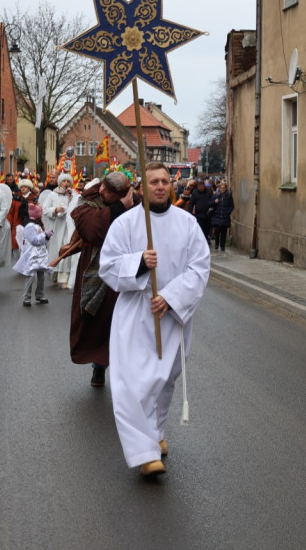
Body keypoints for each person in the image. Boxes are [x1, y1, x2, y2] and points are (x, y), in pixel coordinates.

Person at [99, 162, 211, 477]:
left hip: (171, 315)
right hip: (136, 313)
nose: (160, 186)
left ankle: (155, 431)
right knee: (134, 383)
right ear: (141, 187)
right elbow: (107, 265)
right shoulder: (126, 224)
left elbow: (200, 267)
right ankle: (144, 453)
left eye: (164, 181)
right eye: (153, 182)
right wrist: (138, 263)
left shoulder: (188, 224)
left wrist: (173, 296)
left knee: (164, 379)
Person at [68, 171, 136, 388]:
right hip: (95, 269)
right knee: (96, 319)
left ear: (121, 194)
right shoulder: (87, 201)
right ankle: (99, 367)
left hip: (124, 268)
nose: (100, 190)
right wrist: (118, 209)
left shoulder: (136, 205)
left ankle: (123, 372)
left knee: (121, 321)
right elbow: (92, 230)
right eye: (102, 186)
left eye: (107, 190)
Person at [42, 172, 77, 289]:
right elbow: (45, 209)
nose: (66, 184)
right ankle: (55, 272)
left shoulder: (73, 194)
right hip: (56, 227)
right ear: (59, 182)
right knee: (56, 250)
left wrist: (72, 200)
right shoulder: (52, 195)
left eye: (68, 181)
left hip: (68, 227)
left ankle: (64, 277)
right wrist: (56, 210)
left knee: (66, 249)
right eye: (64, 181)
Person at [14, 203, 52, 307]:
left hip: (39, 254)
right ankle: (26, 297)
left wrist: (45, 237)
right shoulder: (30, 226)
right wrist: (46, 235)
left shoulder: (36, 225)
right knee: (30, 275)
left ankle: (39, 295)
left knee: (41, 274)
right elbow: (34, 240)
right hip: (32, 254)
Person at [209, 180, 234, 252]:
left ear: (226, 188)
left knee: (223, 232)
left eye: (224, 188)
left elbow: (232, 206)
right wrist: (214, 202)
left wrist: (227, 212)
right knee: (217, 232)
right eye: (221, 188)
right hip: (216, 216)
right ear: (219, 188)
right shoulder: (216, 195)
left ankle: (222, 246)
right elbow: (210, 204)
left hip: (225, 217)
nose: (222, 189)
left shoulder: (228, 196)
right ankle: (216, 244)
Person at [188, 176, 214, 240]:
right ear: (198, 186)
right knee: (200, 228)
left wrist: (212, 210)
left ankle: (206, 238)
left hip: (207, 214)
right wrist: (190, 212)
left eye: (202, 186)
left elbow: (212, 201)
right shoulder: (195, 192)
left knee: (207, 228)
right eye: (199, 186)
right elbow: (191, 203)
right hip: (198, 214)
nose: (201, 188)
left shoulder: (209, 192)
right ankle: (201, 239)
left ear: (204, 186)